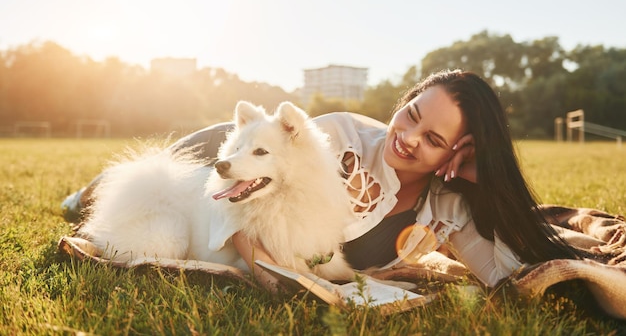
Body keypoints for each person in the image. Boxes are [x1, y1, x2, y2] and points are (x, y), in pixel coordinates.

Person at [62, 69, 617, 291]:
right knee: (144, 180)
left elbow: (502, 276)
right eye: (413, 115)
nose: (410, 139)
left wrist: (475, 181)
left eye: (435, 141)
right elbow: (237, 209)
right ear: (406, 102)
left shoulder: (447, 206)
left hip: (255, 162)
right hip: (236, 151)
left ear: (461, 153)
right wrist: (272, 271)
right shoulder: (342, 136)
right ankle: (89, 191)